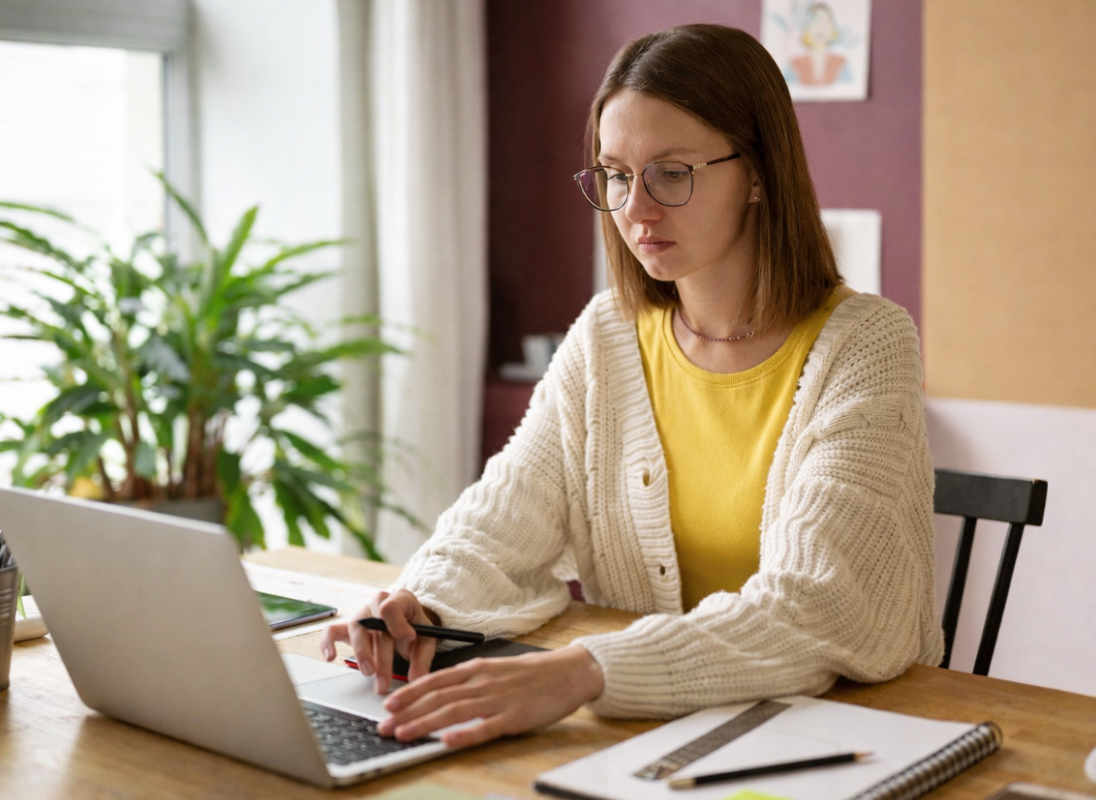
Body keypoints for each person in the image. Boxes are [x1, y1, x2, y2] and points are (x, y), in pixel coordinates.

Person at [320, 23, 943, 748]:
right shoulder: (608, 334)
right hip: (653, 737)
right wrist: (420, 602)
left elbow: (813, 605)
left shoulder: (868, 344)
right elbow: (504, 517)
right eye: (616, 175)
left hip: (845, 740)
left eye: (671, 173)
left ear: (759, 173)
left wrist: (586, 670)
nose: (636, 211)